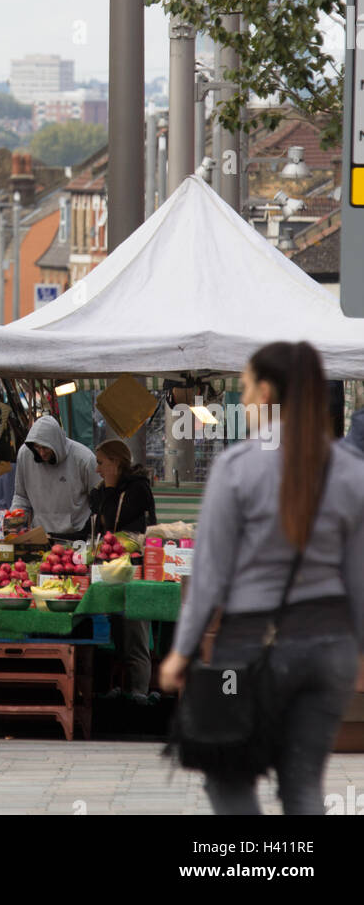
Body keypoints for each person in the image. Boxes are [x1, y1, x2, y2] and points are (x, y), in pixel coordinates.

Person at [160, 341, 364, 816]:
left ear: (268, 391)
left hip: (247, 651)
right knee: (303, 786)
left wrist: (181, 652)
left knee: (227, 776)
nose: (245, 401)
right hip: (328, 652)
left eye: (247, 389)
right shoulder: (353, 473)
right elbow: (359, 578)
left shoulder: (237, 468)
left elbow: (208, 576)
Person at [89, 439, 157, 701]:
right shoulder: (100, 491)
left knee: (135, 641)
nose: (97, 469)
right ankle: (112, 695)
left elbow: (137, 527)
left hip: (134, 575)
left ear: (116, 462)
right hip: (105, 574)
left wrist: (109, 491)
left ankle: (138, 697)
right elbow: (99, 527)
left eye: (101, 463)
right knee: (111, 639)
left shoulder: (139, 489)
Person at [10, 415, 99, 538]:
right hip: (42, 535)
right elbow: (21, 496)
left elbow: (99, 500)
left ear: (56, 442)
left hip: (76, 536)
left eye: (45, 448)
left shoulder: (84, 459)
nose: (41, 453)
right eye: (37, 447)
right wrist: (13, 524)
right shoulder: (25, 454)